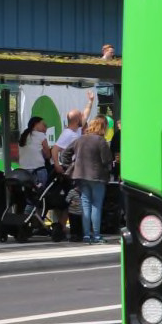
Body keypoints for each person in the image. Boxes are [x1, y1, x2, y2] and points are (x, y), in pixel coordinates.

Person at [51, 91, 94, 241]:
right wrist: (57, 165)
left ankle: (63, 227)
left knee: (72, 200)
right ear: (77, 121)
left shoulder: (76, 130)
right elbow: (55, 149)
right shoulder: (68, 134)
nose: (84, 118)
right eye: (81, 117)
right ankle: (68, 228)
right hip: (72, 172)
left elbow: (86, 114)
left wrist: (90, 101)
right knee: (74, 200)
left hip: (77, 170)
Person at [68, 117, 112, 244]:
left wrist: (69, 166)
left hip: (81, 176)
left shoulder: (80, 139)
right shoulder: (101, 141)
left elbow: (66, 153)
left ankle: (86, 235)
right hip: (97, 177)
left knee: (86, 205)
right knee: (96, 206)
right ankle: (96, 236)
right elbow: (106, 160)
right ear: (102, 127)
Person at [17, 116, 52, 187]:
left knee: (28, 194)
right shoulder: (41, 135)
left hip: (24, 171)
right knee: (39, 194)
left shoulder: (23, 136)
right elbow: (48, 155)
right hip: (38, 170)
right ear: (36, 124)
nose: (45, 128)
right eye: (44, 125)